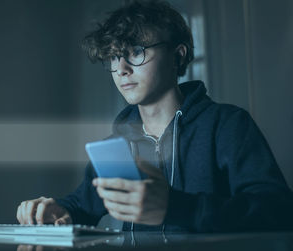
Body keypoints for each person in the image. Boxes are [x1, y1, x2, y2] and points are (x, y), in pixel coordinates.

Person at [16, 1, 293, 233]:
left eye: (136, 52)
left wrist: (176, 208)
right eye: (113, 57)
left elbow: (277, 210)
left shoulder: (227, 125)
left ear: (178, 55)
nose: (121, 68)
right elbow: (81, 205)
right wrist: (54, 211)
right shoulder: (117, 145)